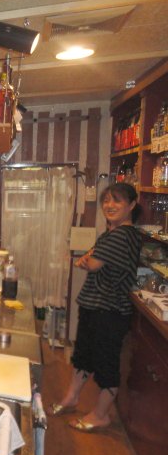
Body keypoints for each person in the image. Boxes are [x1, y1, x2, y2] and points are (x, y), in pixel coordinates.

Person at [48, 183, 142, 433]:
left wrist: (90, 258)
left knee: (105, 364)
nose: (109, 205)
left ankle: (101, 415)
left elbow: (92, 263)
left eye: (117, 201)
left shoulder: (122, 235)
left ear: (132, 205)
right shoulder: (112, 234)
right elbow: (91, 257)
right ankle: (71, 398)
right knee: (83, 356)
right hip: (95, 306)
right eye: (106, 200)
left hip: (110, 311)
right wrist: (91, 257)